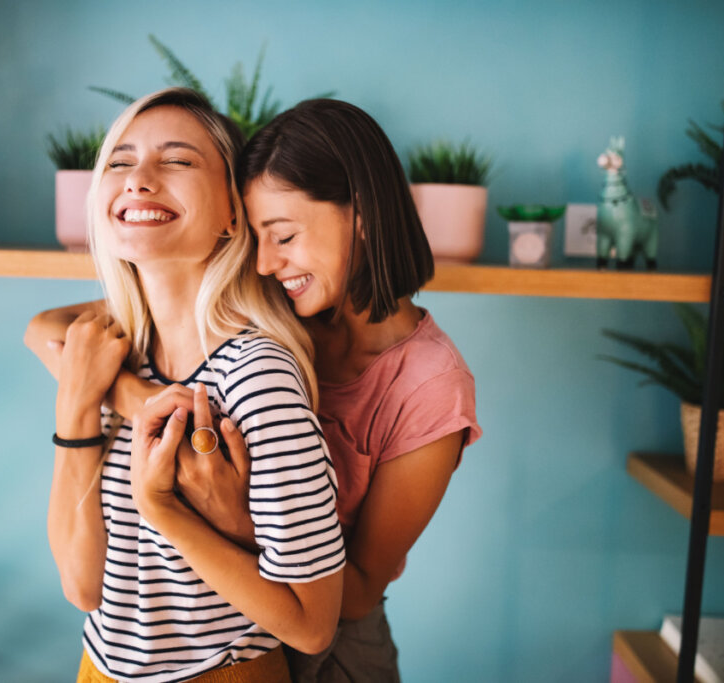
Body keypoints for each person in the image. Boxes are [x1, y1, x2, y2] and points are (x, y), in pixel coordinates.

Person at [28, 98, 481, 682]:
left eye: (284, 235)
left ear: (360, 215)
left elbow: (356, 592)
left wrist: (227, 512)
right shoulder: (287, 303)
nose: (263, 263)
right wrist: (149, 410)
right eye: (257, 233)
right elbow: (48, 332)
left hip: (336, 645)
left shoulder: (427, 385)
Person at [37, 87, 346, 683]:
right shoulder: (115, 352)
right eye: (120, 162)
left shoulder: (258, 377)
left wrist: (161, 507)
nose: (139, 179)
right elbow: (82, 587)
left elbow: (312, 625)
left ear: (234, 213)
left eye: (177, 160)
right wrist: (81, 403)